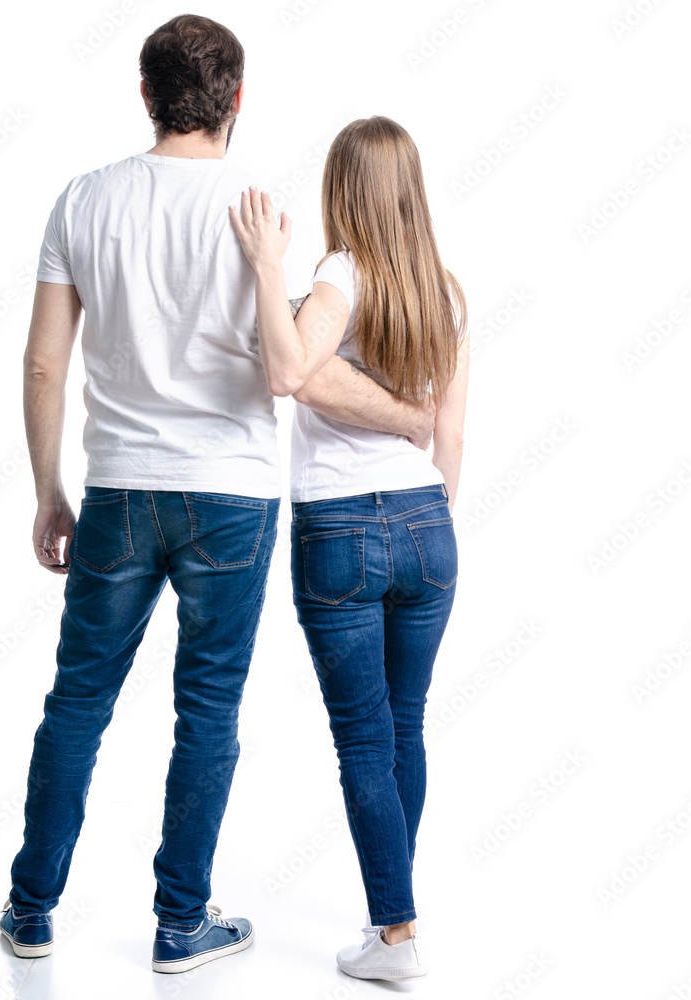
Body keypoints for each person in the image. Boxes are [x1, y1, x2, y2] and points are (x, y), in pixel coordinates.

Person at [0, 19, 436, 973]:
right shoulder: (261, 217)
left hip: (117, 489)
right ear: (237, 100)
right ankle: (179, 922)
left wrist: (47, 489)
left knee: (77, 703)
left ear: (145, 95)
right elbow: (297, 368)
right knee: (208, 712)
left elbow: (43, 361)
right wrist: (415, 417)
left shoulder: (82, 199)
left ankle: (31, 912)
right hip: (233, 498)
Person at [230, 115, 469, 982]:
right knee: (405, 725)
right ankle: (391, 921)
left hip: (340, 527)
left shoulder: (341, 270)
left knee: (365, 739)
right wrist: (430, 514)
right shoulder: (443, 290)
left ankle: (395, 934)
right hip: (428, 526)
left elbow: (290, 369)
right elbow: (451, 437)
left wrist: (267, 270)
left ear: (344, 189)